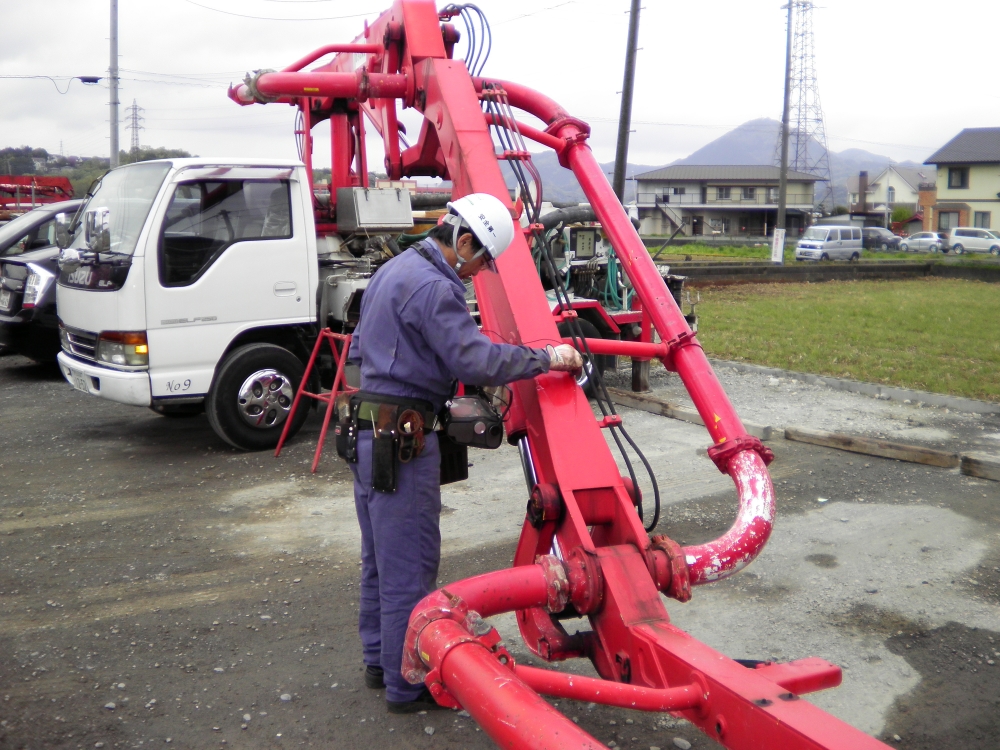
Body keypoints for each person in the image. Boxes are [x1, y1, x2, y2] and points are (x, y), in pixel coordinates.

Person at [345, 192, 583, 713]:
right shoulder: (435, 286)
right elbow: (474, 360)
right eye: (480, 263)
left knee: (380, 561)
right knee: (410, 564)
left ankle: (378, 662)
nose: (479, 274)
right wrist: (546, 357)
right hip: (404, 443)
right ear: (464, 240)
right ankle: (407, 685)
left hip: (368, 436)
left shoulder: (395, 270)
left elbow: (360, 353)